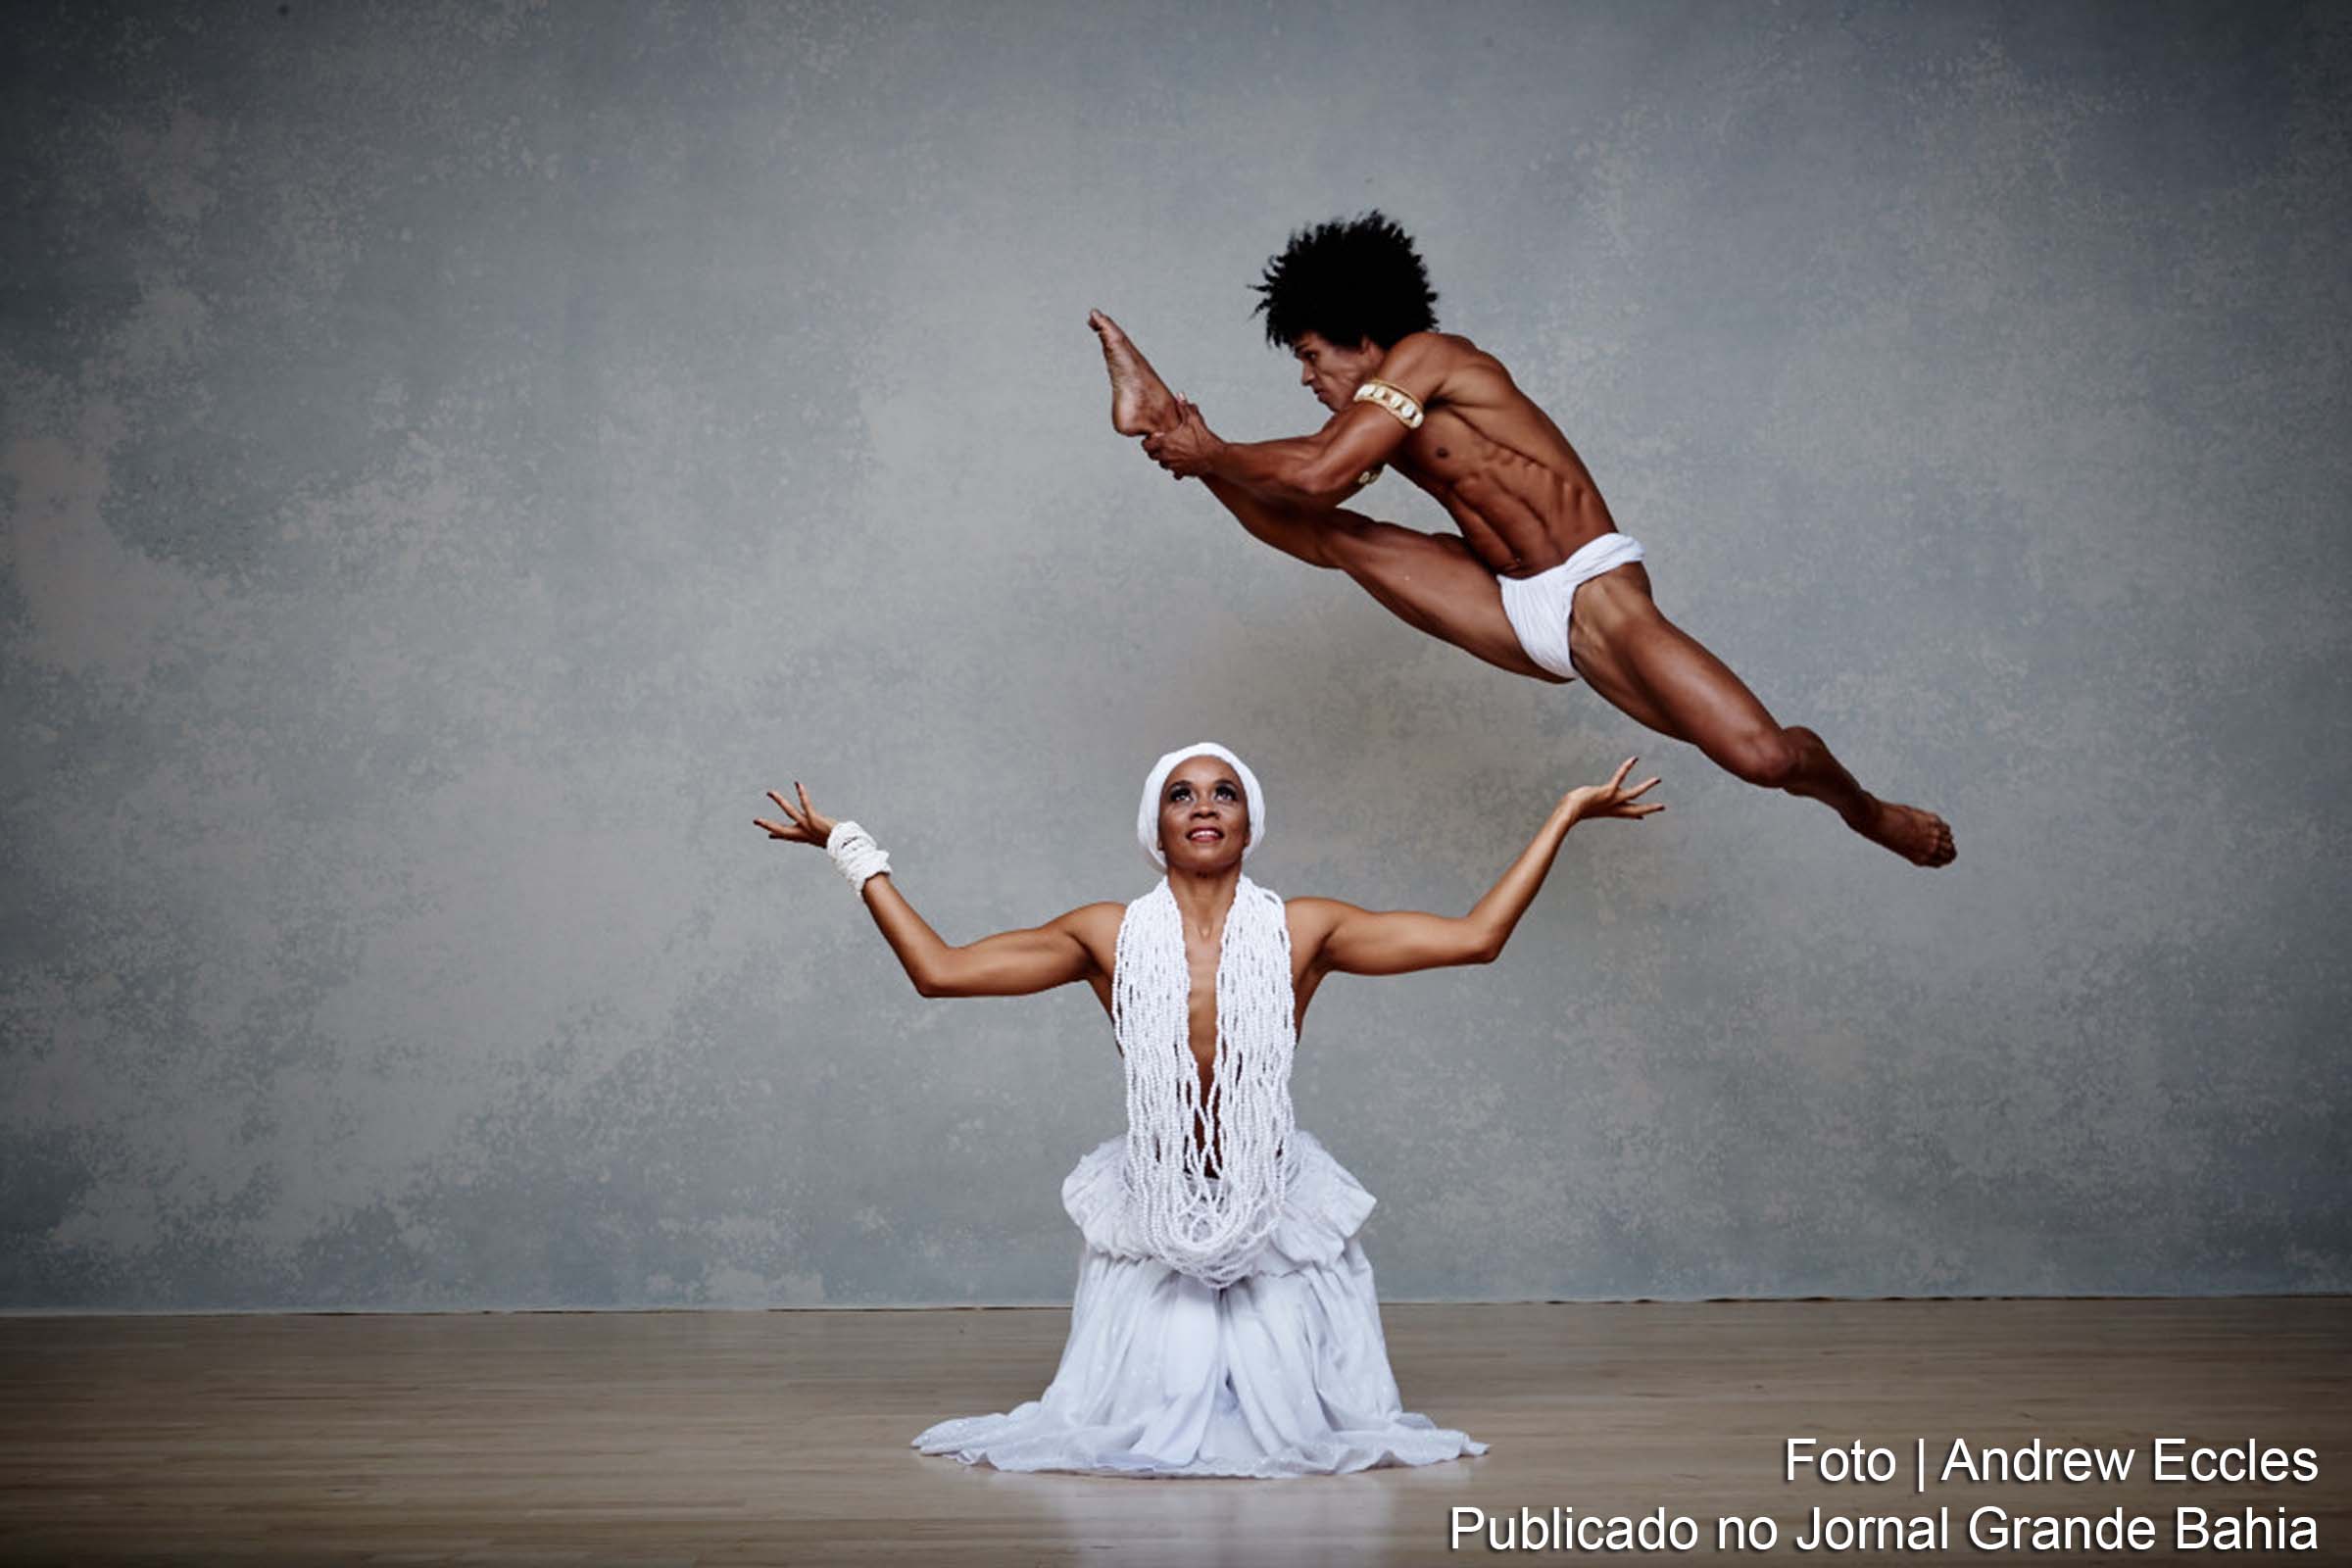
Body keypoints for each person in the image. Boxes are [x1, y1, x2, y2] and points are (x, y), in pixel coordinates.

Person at [755, 743, 1662, 1477]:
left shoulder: (1305, 928)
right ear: (1156, 824)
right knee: (1137, 1420)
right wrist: (854, 852)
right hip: (1159, 1205)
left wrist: (1566, 815)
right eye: (1182, 793)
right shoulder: (1105, 934)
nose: (1203, 805)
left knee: (1294, 1429)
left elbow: (1477, 938)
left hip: (1268, 1200)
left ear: (1248, 822)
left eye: (1223, 792)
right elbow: (940, 971)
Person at [1087, 211, 1953, 868]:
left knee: (1764, 758)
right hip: (1512, 603)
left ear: (1363, 333)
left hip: (1595, 594)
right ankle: (1158, 418)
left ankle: (1868, 811)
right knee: (1341, 541)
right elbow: (1318, 495)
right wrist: (1202, 454)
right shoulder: (1376, 419)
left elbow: (1316, 468)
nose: (1310, 379)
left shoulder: (1429, 357)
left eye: (1314, 357)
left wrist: (1218, 450)